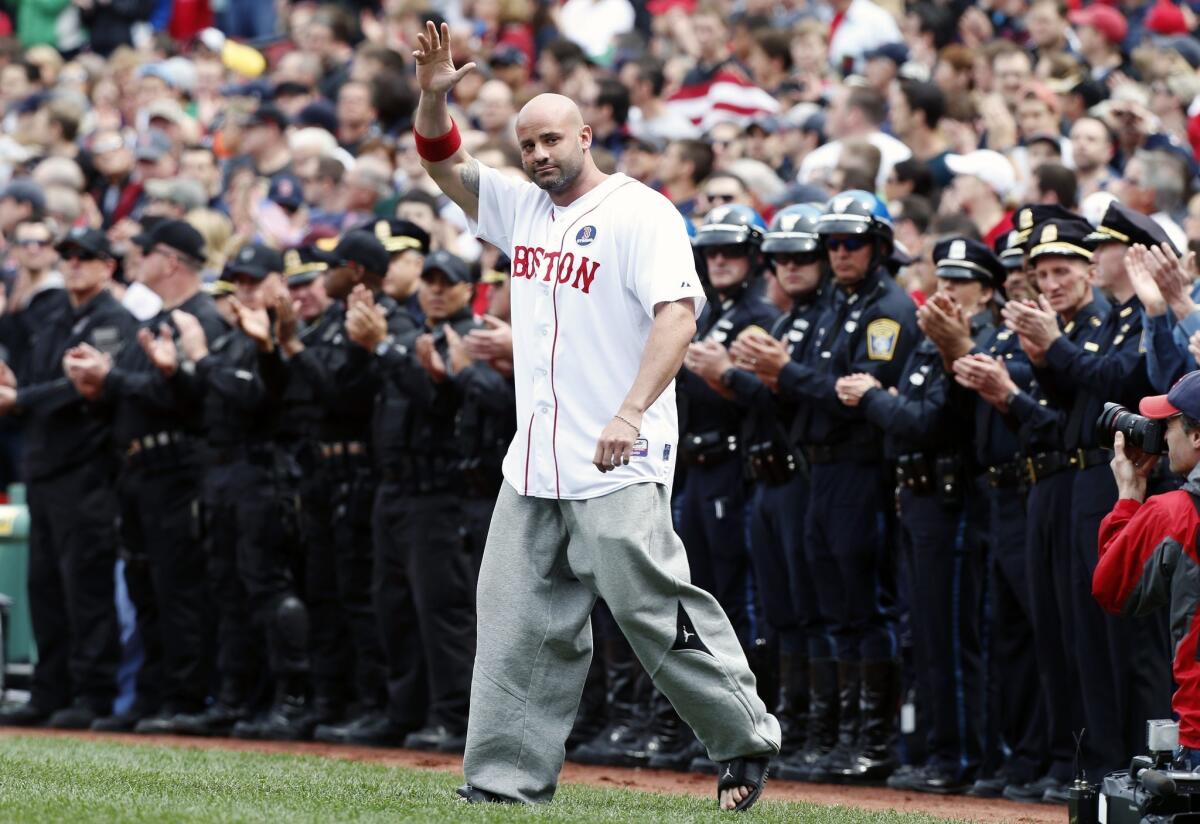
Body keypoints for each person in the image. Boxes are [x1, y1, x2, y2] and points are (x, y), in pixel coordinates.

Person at [411, 22, 780, 810]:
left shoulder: (638, 211)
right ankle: (502, 784)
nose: (539, 154)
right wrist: (434, 96)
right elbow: (443, 160)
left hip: (617, 454)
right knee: (513, 622)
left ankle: (746, 738)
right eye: (527, 144)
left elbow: (678, 317)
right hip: (536, 461)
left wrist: (631, 411)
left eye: (552, 139)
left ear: (585, 135)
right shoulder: (519, 207)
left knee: (650, 607)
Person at [736, 189, 918, 784]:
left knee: (861, 607)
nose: (839, 253)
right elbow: (822, 388)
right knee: (827, 607)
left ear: (880, 247)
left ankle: (873, 740)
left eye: (852, 243)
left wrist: (784, 373)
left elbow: (854, 398)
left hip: (859, 466)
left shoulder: (886, 309)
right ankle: (832, 735)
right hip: (820, 467)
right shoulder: (840, 304)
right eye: (833, 243)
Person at [846, 237, 1001, 794]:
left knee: (950, 635)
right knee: (923, 634)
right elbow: (911, 417)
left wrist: (872, 399)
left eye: (960, 283)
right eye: (941, 281)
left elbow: (931, 422)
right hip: (916, 496)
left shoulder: (977, 342)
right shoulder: (928, 341)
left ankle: (959, 755)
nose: (946, 292)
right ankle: (933, 747)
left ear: (986, 291)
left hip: (953, 499)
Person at [0, 228, 135, 729]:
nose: (73, 264)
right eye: (68, 256)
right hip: (45, 468)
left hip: (89, 470)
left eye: (86, 257)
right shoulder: (53, 316)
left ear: (108, 266)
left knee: (86, 587)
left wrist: (22, 400)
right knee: (45, 586)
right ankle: (49, 688)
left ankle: (92, 693)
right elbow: (39, 384)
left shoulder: (112, 320)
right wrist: (18, 392)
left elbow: (82, 385)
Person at [724, 204, 836, 781]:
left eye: (803, 257)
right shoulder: (794, 318)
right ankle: (792, 724)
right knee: (782, 611)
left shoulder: (814, 317)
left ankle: (824, 732)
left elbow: (807, 394)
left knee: (821, 609)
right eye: (782, 259)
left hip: (806, 476)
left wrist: (735, 375)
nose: (790, 267)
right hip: (769, 476)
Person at [1094, 371, 1200, 765]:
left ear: (1197, 437)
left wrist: (1128, 499)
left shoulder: (1173, 511)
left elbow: (1113, 590)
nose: (1160, 434)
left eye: (1168, 424)